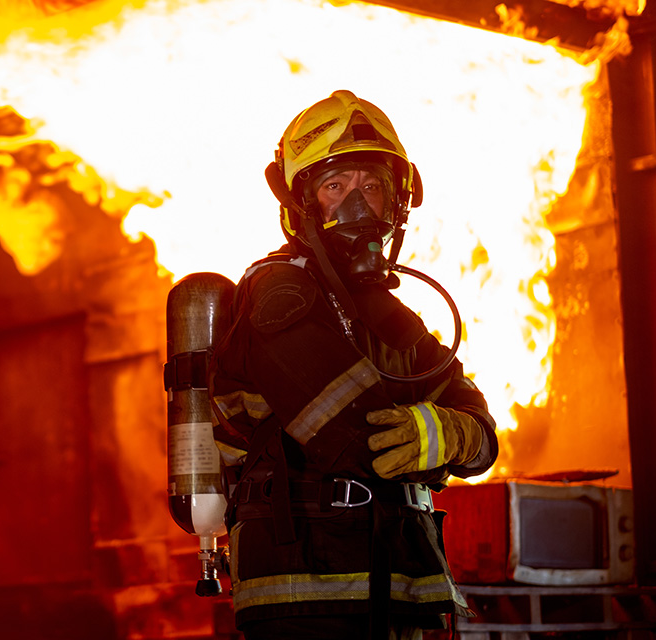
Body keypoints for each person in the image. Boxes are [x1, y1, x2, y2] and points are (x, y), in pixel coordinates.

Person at [208, 90, 498, 640]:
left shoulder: (388, 315)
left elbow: (482, 434)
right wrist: (441, 433)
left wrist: (450, 432)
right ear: (302, 204)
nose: (357, 207)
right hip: (310, 599)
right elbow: (361, 443)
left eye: (371, 186)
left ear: (398, 200)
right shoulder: (280, 295)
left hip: (398, 587)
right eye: (335, 186)